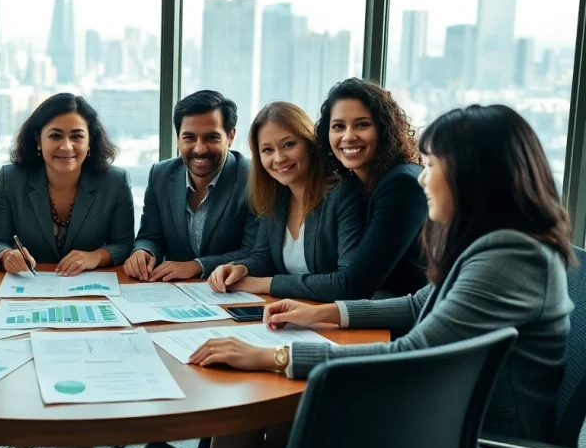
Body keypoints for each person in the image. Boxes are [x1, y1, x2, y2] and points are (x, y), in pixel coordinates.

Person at [192, 104, 573, 448]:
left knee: (278, 400)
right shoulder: (493, 242)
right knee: (262, 406)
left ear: (474, 175)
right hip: (446, 412)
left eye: (433, 165)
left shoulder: (510, 257)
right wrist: (322, 313)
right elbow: (418, 304)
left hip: (470, 443)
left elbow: (413, 353)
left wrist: (273, 356)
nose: (422, 178)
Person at [208, 101, 365, 301]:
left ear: (309, 144)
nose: (279, 158)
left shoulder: (342, 194)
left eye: (289, 144)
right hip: (292, 312)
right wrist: (240, 268)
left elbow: (346, 281)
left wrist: (265, 284)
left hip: (336, 317)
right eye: (267, 150)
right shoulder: (275, 197)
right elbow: (263, 258)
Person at [0, 92, 134, 275]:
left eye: (77, 137)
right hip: (31, 287)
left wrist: (96, 256)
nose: (66, 146)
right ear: (38, 139)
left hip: (89, 287)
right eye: (55, 136)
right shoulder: (11, 179)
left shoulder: (115, 182)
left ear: (90, 141)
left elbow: (124, 245)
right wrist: (5, 255)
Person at [124, 90, 259, 282]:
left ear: (230, 136)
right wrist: (144, 251)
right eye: (189, 138)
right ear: (178, 137)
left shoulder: (253, 179)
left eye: (211, 137)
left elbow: (254, 253)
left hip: (232, 290)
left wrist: (197, 265)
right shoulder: (161, 174)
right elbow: (150, 236)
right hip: (172, 293)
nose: (199, 149)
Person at [315, 78, 426, 298]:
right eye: (338, 126)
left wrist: (265, 284)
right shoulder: (357, 185)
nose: (348, 136)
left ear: (385, 129)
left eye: (362, 124)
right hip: (376, 313)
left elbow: (355, 285)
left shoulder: (402, 185)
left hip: (411, 320)